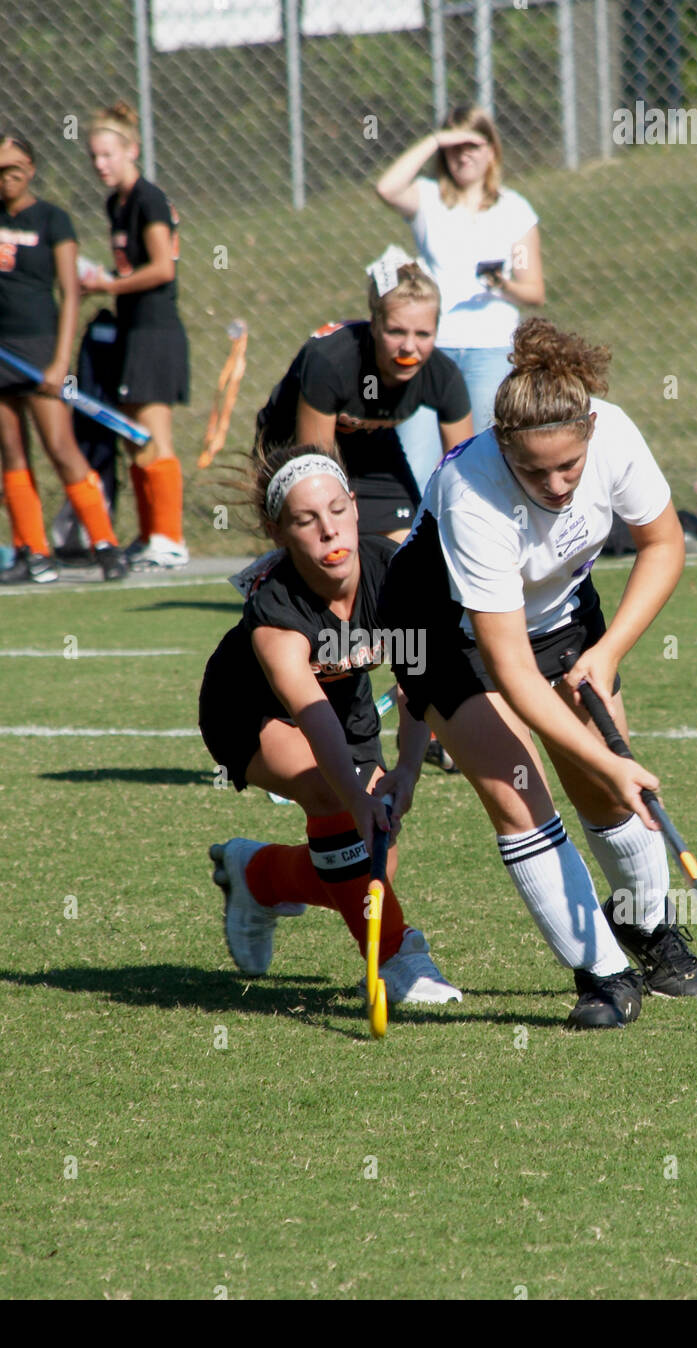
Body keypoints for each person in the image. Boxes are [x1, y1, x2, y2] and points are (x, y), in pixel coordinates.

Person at [378, 319, 697, 1028]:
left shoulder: (613, 434)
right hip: (437, 628)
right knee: (519, 787)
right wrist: (611, 759)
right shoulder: (474, 495)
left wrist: (610, 650)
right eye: (534, 472)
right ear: (503, 446)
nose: (556, 485)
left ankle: (646, 929)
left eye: (569, 467)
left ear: (589, 429)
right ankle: (602, 976)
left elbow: (662, 542)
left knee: (602, 784)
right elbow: (513, 675)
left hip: (557, 604)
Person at [198, 441, 461, 1006]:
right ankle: (400, 958)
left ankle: (259, 875)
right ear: (278, 532)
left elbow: (419, 685)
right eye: (306, 520)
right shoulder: (276, 613)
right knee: (334, 796)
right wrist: (354, 793)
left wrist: (409, 771)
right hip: (248, 710)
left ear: (356, 508)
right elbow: (311, 714)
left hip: (348, 706)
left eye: (337, 511)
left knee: (372, 855)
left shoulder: (396, 573)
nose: (328, 532)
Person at [0, 134, 127, 584]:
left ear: (32, 171)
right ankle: (34, 553)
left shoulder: (53, 219)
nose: (6, 180)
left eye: (14, 171)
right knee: (13, 453)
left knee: (61, 447)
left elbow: (70, 290)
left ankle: (105, 543)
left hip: (40, 349)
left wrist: (60, 360)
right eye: (0, 173)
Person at [374, 105, 544, 492]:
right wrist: (436, 139)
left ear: (492, 151)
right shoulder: (430, 200)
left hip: (489, 346)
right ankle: (414, 546)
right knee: (416, 463)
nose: (463, 155)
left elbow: (534, 289)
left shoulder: (513, 210)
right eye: (454, 147)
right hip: (432, 347)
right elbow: (386, 187)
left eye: (473, 145)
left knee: (484, 462)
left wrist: (502, 284)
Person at [255, 251, 473, 545]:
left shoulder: (442, 376)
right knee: (325, 545)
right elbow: (315, 466)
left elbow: (461, 471)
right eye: (396, 331)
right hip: (296, 447)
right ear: (374, 324)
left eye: (423, 334)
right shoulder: (331, 363)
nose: (409, 347)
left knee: (409, 553)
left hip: (371, 445)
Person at [80, 100, 190, 569]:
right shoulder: (116, 203)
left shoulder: (148, 198)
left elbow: (162, 268)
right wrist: (103, 279)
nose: (101, 165)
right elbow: (131, 266)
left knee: (152, 437)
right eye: (94, 157)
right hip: (130, 329)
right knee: (132, 436)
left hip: (155, 330)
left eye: (109, 154)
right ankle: (150, 537)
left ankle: (171, 539)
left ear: (132, 149)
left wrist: (108, 284)